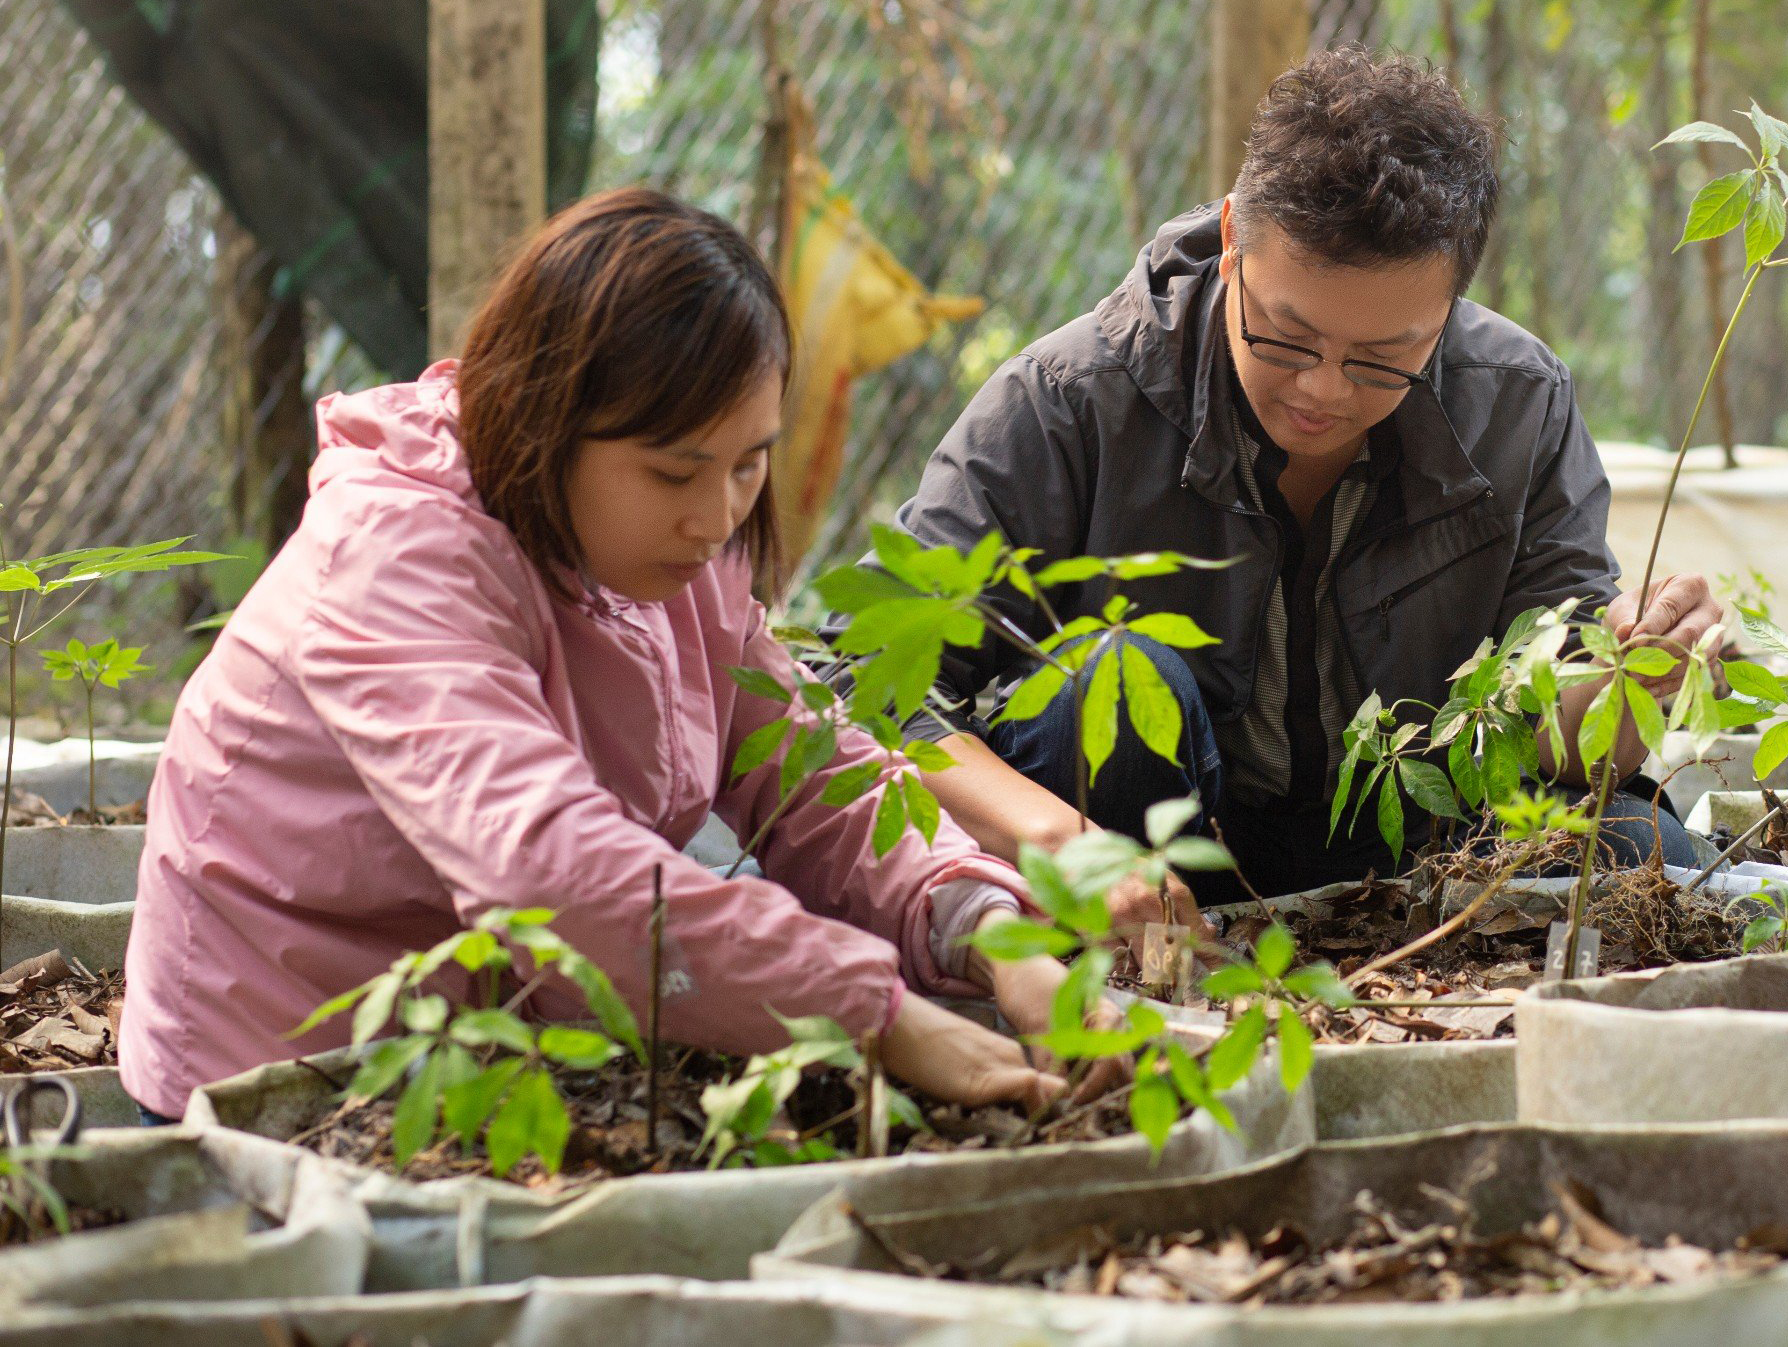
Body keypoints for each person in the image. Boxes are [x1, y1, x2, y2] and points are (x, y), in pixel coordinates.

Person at [120, 188, 1078, 1125]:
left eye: (749, 463)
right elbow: (552, 871)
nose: (717, 517)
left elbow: (812, 772)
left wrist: (994, 933)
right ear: (544, 416)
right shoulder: (396, 553)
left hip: (496, 1048)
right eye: (674, 470)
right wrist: (877, 1010)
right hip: (275, 1076)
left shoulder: (675, 551)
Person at [879, 48, 1723, 915]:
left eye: (1383, 359)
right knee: (1118, 684)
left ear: (1452, 305)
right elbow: (864, 687)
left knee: (1646, 853)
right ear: (1235, 238)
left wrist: (1634, 674)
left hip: (1415, 849)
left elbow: (1561, 745)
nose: (1322, 388)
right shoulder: (1069, 402)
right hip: (1134, 846)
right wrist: (1063, 843)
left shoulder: (1518, 403)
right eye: (1284, 337)